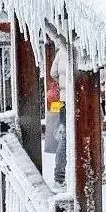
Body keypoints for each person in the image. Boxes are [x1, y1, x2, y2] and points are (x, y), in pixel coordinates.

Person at [50, 46, 68, 190]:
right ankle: (99, 169)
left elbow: (53, 73)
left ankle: (59, 177)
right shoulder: (84, 49)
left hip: (64, 101)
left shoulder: (61, 50)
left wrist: (63, 86)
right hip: (83, 99)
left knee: (65, 138)